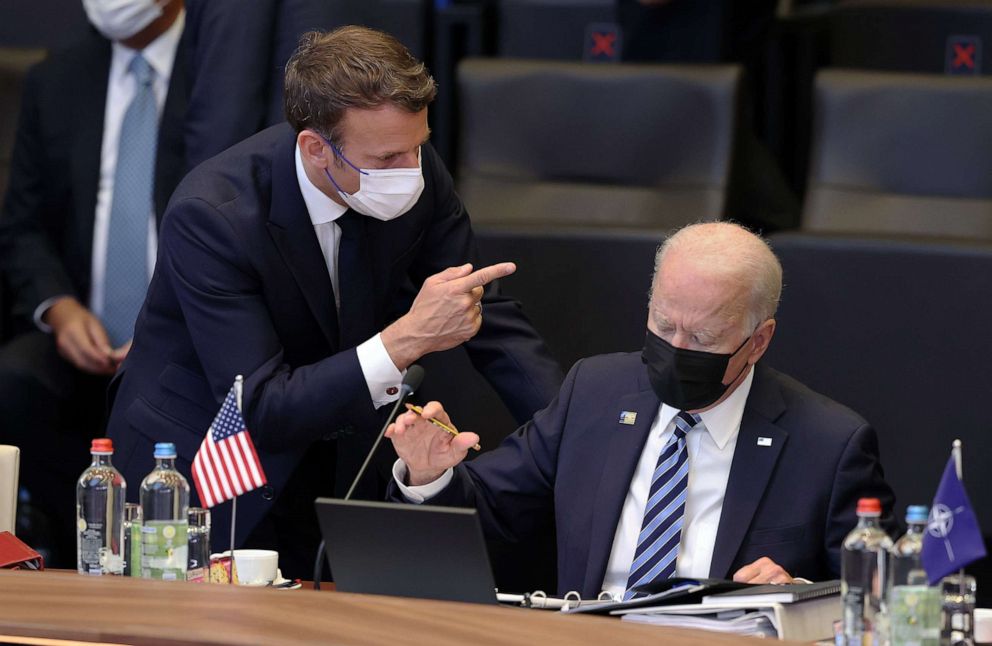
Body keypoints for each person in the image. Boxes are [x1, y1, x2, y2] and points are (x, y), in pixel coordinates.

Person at [104, 26, 563, 578]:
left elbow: (483, 314)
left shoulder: (410, 168)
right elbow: (264, 408)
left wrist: (573, 434)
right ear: (316, 148)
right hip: (206, 466)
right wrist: (407, 339)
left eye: (417, 147)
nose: (409, 172)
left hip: (338, 453)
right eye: (388, 157)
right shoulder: (214, 215)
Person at [387, 221, 897, 598]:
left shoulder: (828, 444)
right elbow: (491, 511)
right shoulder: (596, 391)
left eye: (701, 337)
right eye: (663, 323)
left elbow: (880, 598)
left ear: (758, 341)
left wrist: (797, 592)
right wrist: (431, 474)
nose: (676, 346)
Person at [0, 0, 187, 566]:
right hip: (82, 328)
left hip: (185, 330)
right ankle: (73, 548)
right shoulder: (57, 77)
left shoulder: (220, 78)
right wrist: (58, 309)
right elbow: (22, 224)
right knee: (14, 383)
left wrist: (168, 325)